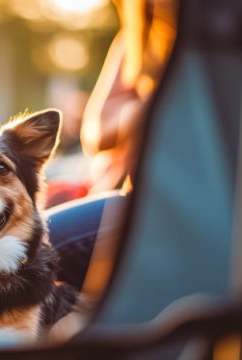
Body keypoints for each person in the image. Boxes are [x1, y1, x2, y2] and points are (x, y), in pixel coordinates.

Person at [47, 0, 178, 291]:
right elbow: (95, 133)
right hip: (121, 190)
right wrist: (147, 108)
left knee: (31, 247)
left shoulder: (217, 42)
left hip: (157, 205)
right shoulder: (139, 38)